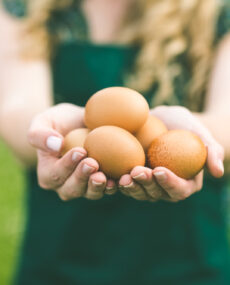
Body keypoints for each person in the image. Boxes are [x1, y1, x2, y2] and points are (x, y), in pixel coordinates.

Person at [0, 0, 230, 284]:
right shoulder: (28, 6)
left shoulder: (216, 10)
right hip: (62, 259)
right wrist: (50, 135)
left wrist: (193, 140)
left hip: (185, 261)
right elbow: (16, 107)